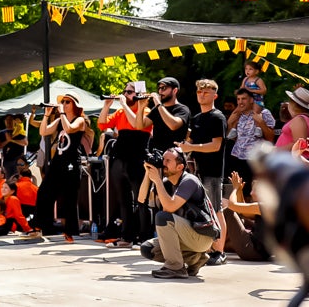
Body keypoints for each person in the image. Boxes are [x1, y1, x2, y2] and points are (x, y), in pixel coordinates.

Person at [139, 147, 216, 279]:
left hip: (201, 235)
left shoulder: (189, 181)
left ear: (180, 166)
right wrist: (148, 173)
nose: (163, 163)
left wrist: (157, 180)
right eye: (163, 159)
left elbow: (169, 208)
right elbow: (141, 199)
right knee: (147, 249)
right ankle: (196, 259)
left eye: (168, 160)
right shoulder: (166, 184)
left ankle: (175, 268)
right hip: (186, 234)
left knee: (163, 217)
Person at [178, 78, 227, 266]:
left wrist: (191, 147)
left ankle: (220, 250)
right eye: (199, 91)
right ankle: (206, 248)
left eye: (206, 92)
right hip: (197, 171)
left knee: (216, 209)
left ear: (215, 95)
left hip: (213, 171)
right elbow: (190, 145)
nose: (202, 94)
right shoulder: (197, 118)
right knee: (203, 210)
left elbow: (215, 146)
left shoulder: (218, 117)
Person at [97, 82, 152, 247]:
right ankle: (127, 236)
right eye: (125, 91)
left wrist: (122, 104)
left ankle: (145, 237)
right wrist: (107, 106)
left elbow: (137, 123)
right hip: (120, 159)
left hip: (137, 159)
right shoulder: (120, 112)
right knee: (124, 201)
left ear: (139, 94)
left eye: (130, 92)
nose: (126, 94)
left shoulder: (147, 111)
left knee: (141, 200)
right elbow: (102, 124)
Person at [34, 92, 87, 243]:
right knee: (45, 191)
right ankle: (42, 226)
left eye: (67, 102)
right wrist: (46, 115)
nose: (63, 104)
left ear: (75, 105)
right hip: (58, 159)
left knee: (69, 196)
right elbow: (43, 131)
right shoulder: (59, 120)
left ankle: (70, 231)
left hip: (71, 160)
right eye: (63, 102)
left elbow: (70, 129)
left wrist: (62, 113)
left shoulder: (80, 120)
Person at [227, 87, 275, 197]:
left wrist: (261, 122)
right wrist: (230, 123)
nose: (240, 102)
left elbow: (271, 138)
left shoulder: (264, 113)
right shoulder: (238, 114)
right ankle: (240, 212)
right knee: (240, 190)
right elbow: (234, 137)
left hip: (256, 159)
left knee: (255, 193)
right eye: (238, 99)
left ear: (251, 100)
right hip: (238, 158)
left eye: (243, 99)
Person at [222, 171, 270, 261]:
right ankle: (222, 245)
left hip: (252, 252)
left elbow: (232, 206)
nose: (251, 193)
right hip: (260, 253)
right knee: (241, 218)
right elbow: (244, 212)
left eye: (254, 190)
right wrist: (240, 190)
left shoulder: (262, 206)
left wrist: (235, 189)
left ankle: (216, 248)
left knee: (228, 211)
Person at [275, 86, 309, 158]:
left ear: (293, 104)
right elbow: (284, 120)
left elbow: (299, 144)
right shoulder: (299, 118)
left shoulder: (299, 119)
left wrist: (275, 150)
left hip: (293, 162)